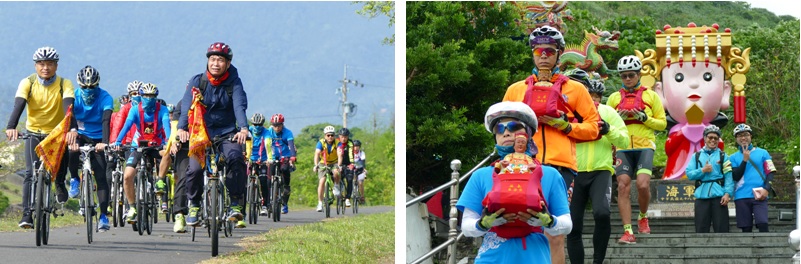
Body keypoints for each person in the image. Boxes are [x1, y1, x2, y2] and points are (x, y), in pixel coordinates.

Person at [502, 25, 600, 263]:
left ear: (559, 53)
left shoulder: (575, 89)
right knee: (520, 225)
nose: (543, 56)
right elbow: (501, 129)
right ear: (532, 54)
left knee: (555, 231)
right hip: (521, 165)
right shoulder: (516, 89)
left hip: (560, 167)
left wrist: (565, 126)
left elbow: (594, 127)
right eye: (538, 51)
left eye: (549, 50)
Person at [457, 101, 571, 263]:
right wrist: (483, 223)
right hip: (492, 257)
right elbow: (467, 226)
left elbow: (567, 224)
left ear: (528, 133)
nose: (506, 133)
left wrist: (549, 221)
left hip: (534, 256)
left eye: (514, 126)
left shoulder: (549, 175)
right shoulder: (481, 175)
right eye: (499, 129)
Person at [176, 42, 249, 229]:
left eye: (220, 60)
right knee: (194, 169)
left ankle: (235, 204)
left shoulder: (234, 82)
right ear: (208, 61)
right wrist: (182, 128)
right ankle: (194, 206)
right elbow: (186, 105)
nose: (216, 63)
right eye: (213, 59)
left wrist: (243, 128)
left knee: (236, 159)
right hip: (201, 132)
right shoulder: (198, 81)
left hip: (226, 131)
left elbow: (239, 105)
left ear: (228, 63)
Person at [6, 46, 76, 228]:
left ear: (56, 66)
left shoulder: (64, 84)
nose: (45, 68)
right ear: (36, 66)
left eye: (50, 64)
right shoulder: (27, 83)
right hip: (33, 132)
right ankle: (27, 214)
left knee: (62, 157)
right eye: (41, 64)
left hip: (56, 133)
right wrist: (11, 127)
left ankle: (60, 182)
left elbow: (69, 108)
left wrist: (72, 129)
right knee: (30, 173)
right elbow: (18, 105)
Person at [566, 72, 629, 263]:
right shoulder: (570, 112)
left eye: (597, 96)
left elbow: (625, 140)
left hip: (600, 171)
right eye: (589, 94)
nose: (593, 99)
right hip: (574, 172)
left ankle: (598, 261)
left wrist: (608, 130)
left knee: (602, 212)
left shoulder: (607, 111)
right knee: (573, 225)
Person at [606, 55, 667, 244]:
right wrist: (618, 118)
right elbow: (606, 125)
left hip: (645, 146)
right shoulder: (614, 98)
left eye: (631, 75)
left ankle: (642, 216)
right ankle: (627, 231)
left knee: (642, 184)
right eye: (623, 76)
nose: (627, 79)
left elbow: (663, 123)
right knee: (623, 185)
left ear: (639, 74)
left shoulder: (651, 95)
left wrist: (644, 119)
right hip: (623, 147)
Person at [111, 83, 171, 226]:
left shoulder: (162, 110)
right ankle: (132, 207)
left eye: (152, 96)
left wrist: (169, 141)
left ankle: (160, 181)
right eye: (145, 96)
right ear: (141, 96)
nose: (148, 99)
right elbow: (127, 125)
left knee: (167, 153)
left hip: (156, 145)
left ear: (156, 97)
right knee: (127, 176)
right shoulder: (134, 110)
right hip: (137, 146)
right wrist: (118, 141)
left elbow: (167, 126)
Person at [65, 66, 114, 231]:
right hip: (80, 133)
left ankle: (103, 216)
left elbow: (106, 121)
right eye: (84, 87)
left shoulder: (105, 97)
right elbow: (69, 116)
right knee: (72, 149)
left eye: (92, 87)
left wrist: (104, 143)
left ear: (97, 85)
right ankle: (74, 179)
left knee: (101, 177)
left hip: (99, 137)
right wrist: (72, 135)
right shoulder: (75, 96)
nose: (88, 90)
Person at [685, 125, 733, 233]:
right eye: (710, 137)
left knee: (722, 228)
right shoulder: (696, 156)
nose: (713, 140)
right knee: (701, 228)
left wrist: (727, 193)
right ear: (705, 138)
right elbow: (689, 174)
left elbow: (729, 176)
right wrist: (702, 170)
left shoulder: (723, 156)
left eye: (715, 138)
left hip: (719, 196)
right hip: (701, 196)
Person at [729, 123, 776, 232]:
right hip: (741, 195)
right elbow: (736, 176)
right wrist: (745, 160)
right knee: (746, 227)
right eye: (739, 135)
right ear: (736, 139)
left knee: (763, 224)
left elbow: (771, 172)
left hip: (760, 194)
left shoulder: (763, 153)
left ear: (751, 136)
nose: (743, 138)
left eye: (746, 134)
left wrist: (766, 189)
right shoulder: (733, 157)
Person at [263, 113, 297, 214]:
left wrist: (293, 156)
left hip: (285, 157)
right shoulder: (268, 132)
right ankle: (267, 201)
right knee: (268, 179)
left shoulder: (288, 133)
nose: (277, 128)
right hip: (272, 158)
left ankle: (285, 203)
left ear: (282, 124)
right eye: (274, 125)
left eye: (279, 125)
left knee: (285, 170)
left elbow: (291, 145)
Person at [156, 102, 180, 211]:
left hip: (174, 149)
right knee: (163, 175)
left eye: (172, 114)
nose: (170, 116)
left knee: (177, 175)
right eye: (169, 114)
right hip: (164, 148)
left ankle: (177, 198)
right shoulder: (163, 123)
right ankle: (164, 202)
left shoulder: (176, 124)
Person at [246, 113, 270, 216]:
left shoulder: (266, 132)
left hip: (263, 160)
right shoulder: (249, 130)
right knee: (243, 179)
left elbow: (268, 144)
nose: (257, 127)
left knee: (263, 181)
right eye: (255, 124)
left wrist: (270, 159)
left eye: (259, 124)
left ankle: (264, 205)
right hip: (250, 159)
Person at [314, 125, 340, 212]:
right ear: (325, 135)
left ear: (334, 136)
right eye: (328, 135)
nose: (330, 137)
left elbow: (340, 155)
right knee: (322, 182)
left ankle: (336, 186)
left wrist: (339, 165)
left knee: (336, 172)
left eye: (332, 135)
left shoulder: (337, 143)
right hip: (323, 163)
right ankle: (320, 203)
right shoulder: (320, 143)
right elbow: (317, 154)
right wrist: (316, 165)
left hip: (334, 162)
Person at [336, 128, 355, 207]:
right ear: (339, 136)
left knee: (350, 179)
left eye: (345, 137)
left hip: (348, 163)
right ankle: (338, 193)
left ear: (348, 137)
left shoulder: (350, 143)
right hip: (338, 163)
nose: (344, 139)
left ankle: (347, 198)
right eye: (342, 137)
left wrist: (352, 164)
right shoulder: (336, 143)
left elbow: (351, 154)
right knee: (336, 177)